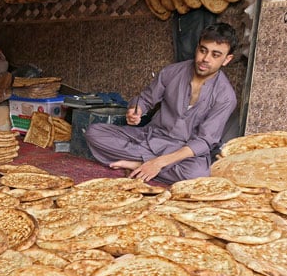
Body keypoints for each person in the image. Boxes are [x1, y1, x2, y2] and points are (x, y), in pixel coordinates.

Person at [85, 22, 238, 184]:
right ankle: (146, 165)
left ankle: (140, 164)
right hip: (151, 137)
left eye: (215, 55)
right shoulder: (171, 72)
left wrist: (159, 162)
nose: (205, 59)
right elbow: (145, 99)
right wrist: (136, 110)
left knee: (197, 174)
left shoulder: (226, 97)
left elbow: (204, 141)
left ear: (227, 59)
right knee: (94, 132)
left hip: (182, 151)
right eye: (202, 50)